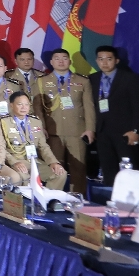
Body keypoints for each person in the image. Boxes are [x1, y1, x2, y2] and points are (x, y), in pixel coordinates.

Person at [34, 49, 94, 192]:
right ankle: (54, 197)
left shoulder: (83, 81)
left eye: (64, 58)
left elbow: (89, 107)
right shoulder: (42, 81)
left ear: (69, 61)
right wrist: (41, 128)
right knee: (55, 168)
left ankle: (77, 199)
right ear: (51, 62)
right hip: (52, 132)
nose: (61, 61)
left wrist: (90, 129)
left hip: (77, 132)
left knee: (78, 167)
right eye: (57, 58)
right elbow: (37, 108)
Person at [89, 46, 139, 186]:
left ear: (117, 60)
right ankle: (110, 196)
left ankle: (133, 197)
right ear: (96, 61)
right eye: (101, 59)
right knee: (108, 169)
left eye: (109, 59)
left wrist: (136, 131)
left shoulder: (130, 78)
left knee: (130, 169)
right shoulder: (92, 79)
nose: (104, 63)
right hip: (102, 133)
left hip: (126, 133)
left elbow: (138, 107)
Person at [0, 92, 69, 190]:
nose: (24, 107)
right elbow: (1, 148)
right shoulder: (3, 122)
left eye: (26, 104)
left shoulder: (35, 121)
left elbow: (43, 146)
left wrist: (53, 162)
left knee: (60, 174)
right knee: (24, 177)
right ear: (11, 105)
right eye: (20, 104)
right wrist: (14, 162)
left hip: (34, 161)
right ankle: (26, 200)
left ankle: (46, 198)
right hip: (15, 161)